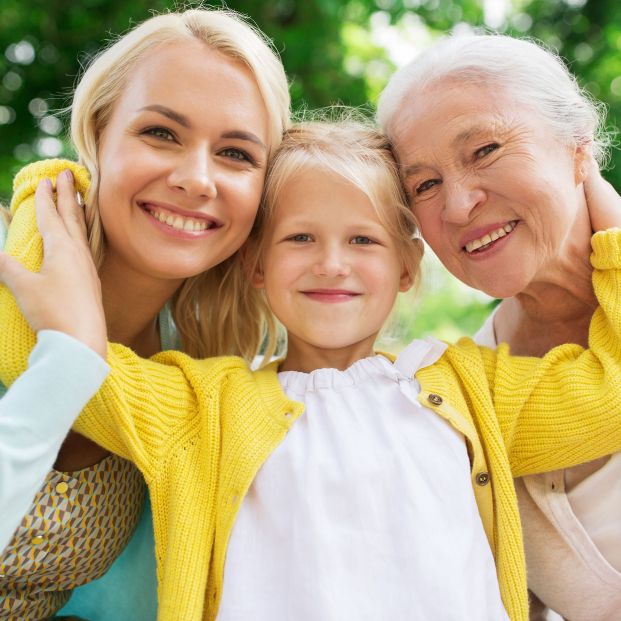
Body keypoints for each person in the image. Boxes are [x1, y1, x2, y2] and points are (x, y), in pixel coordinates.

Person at [1, 119, 621, 621]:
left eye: (363, 241)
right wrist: (51, 189)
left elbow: (610, 393)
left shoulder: (473, 388)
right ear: (256, 266)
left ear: (408, 267)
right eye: (300, 239)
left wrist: (610, 227)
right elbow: (46, 355)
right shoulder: (201, 410)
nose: (331, 264)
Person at [0, 7, 289, 620]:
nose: (196, 178)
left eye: (237, 153)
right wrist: (68, 357)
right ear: (99, 132)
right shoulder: (7, 271)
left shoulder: (196, 371)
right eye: (161, 133)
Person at [377, 33, 621, 621]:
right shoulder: (461, 389)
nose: (458, 206)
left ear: (577, 149)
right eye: (425, 185)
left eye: (484, 149)